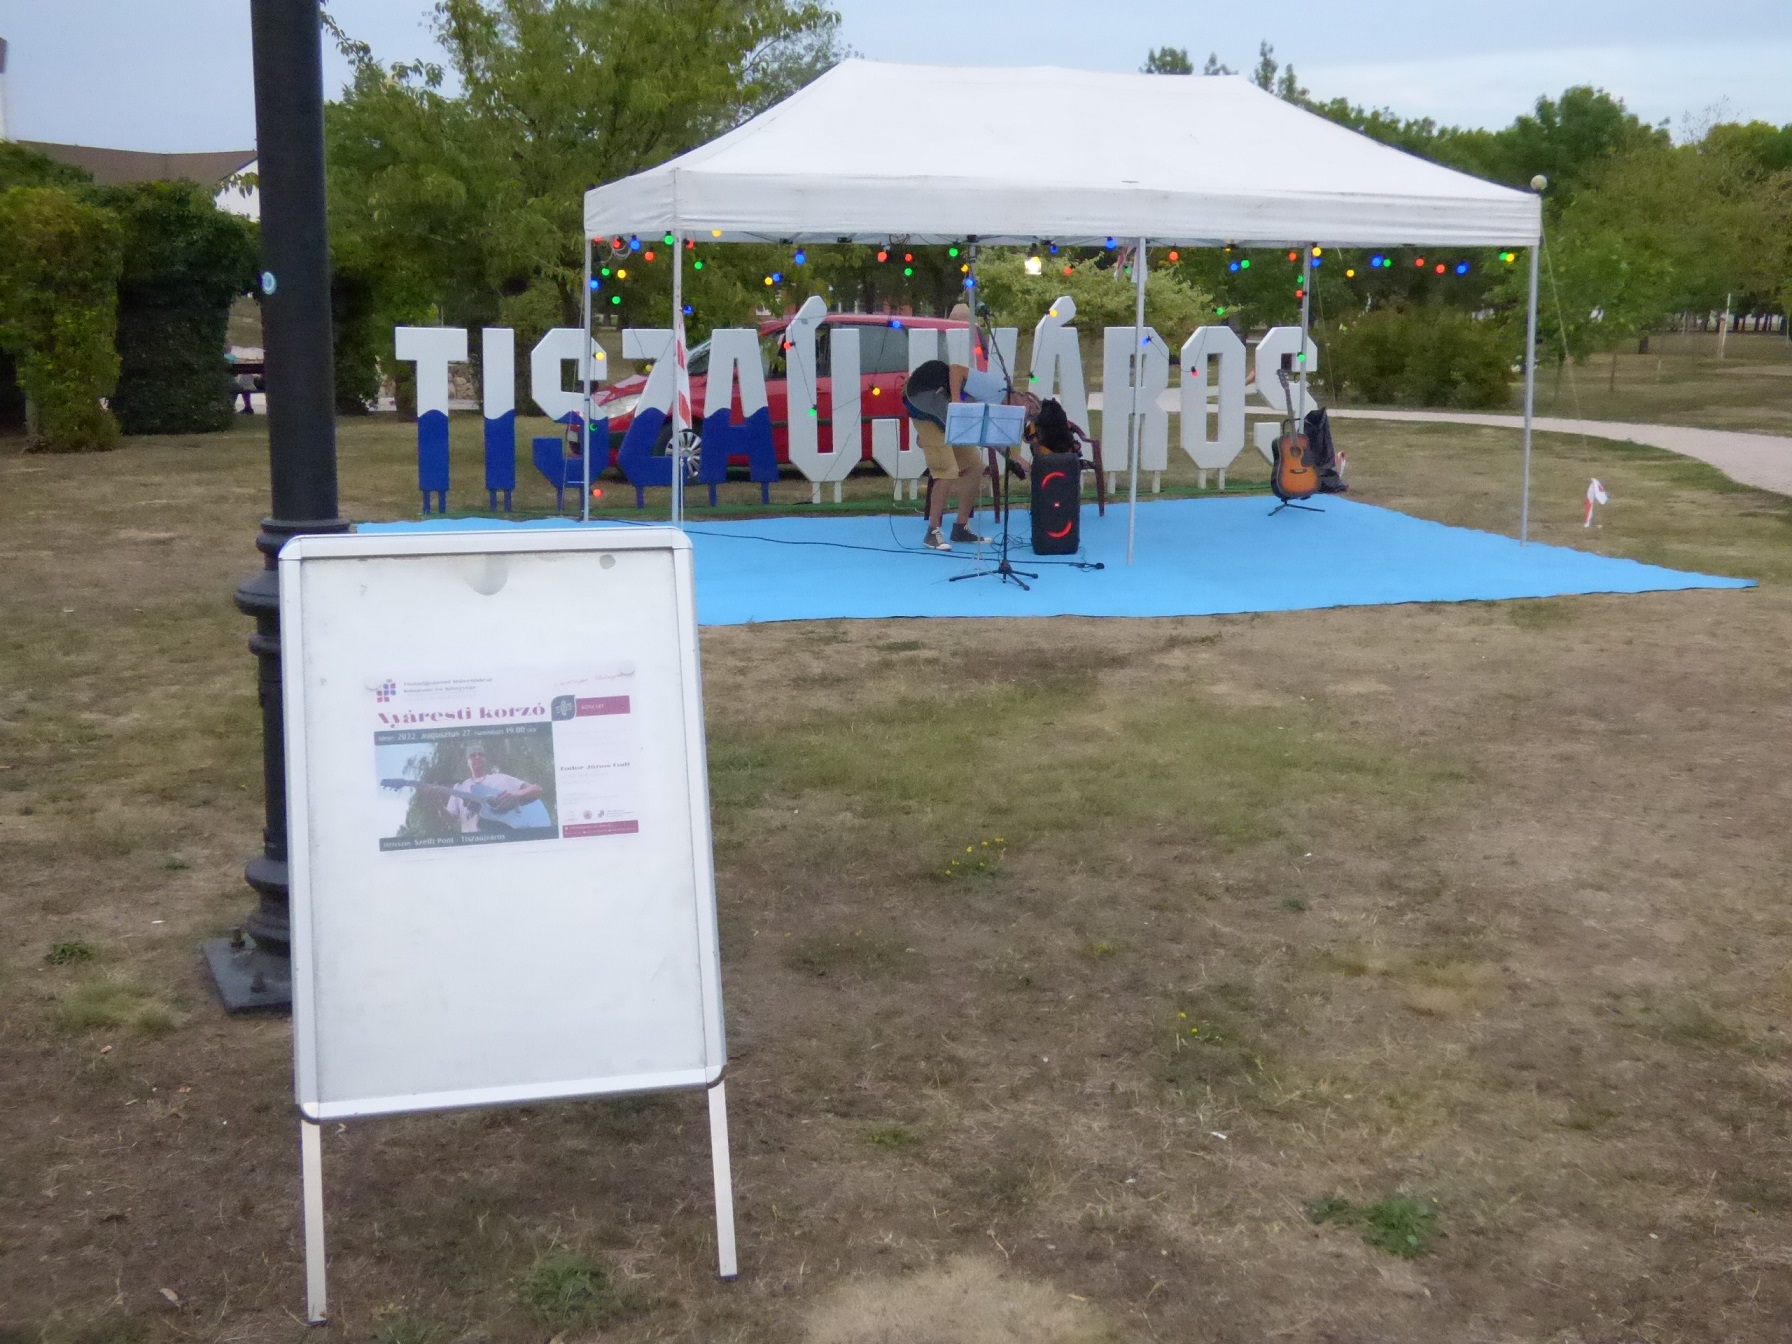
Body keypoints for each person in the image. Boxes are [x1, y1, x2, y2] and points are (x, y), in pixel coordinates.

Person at [913, 302, 1018, 551]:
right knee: (946, 470)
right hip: (927, 408)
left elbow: (986, 432)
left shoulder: (998, 398)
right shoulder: (992, 385)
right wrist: (957, 402)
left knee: (974, 466)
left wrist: (1014, 458)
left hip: (947, 417)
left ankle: (961, 527)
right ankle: (932, 532)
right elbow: (954, 371)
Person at [443, 745, 543, 834]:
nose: (477, 757)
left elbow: (537, 790)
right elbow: (452, 821)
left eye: (480, 754)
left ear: (485, 759)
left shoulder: (502, 778)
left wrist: (515, 795)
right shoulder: (459, 788)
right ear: (467, 762)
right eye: (472, 755)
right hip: (473, 844)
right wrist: (438, 804)